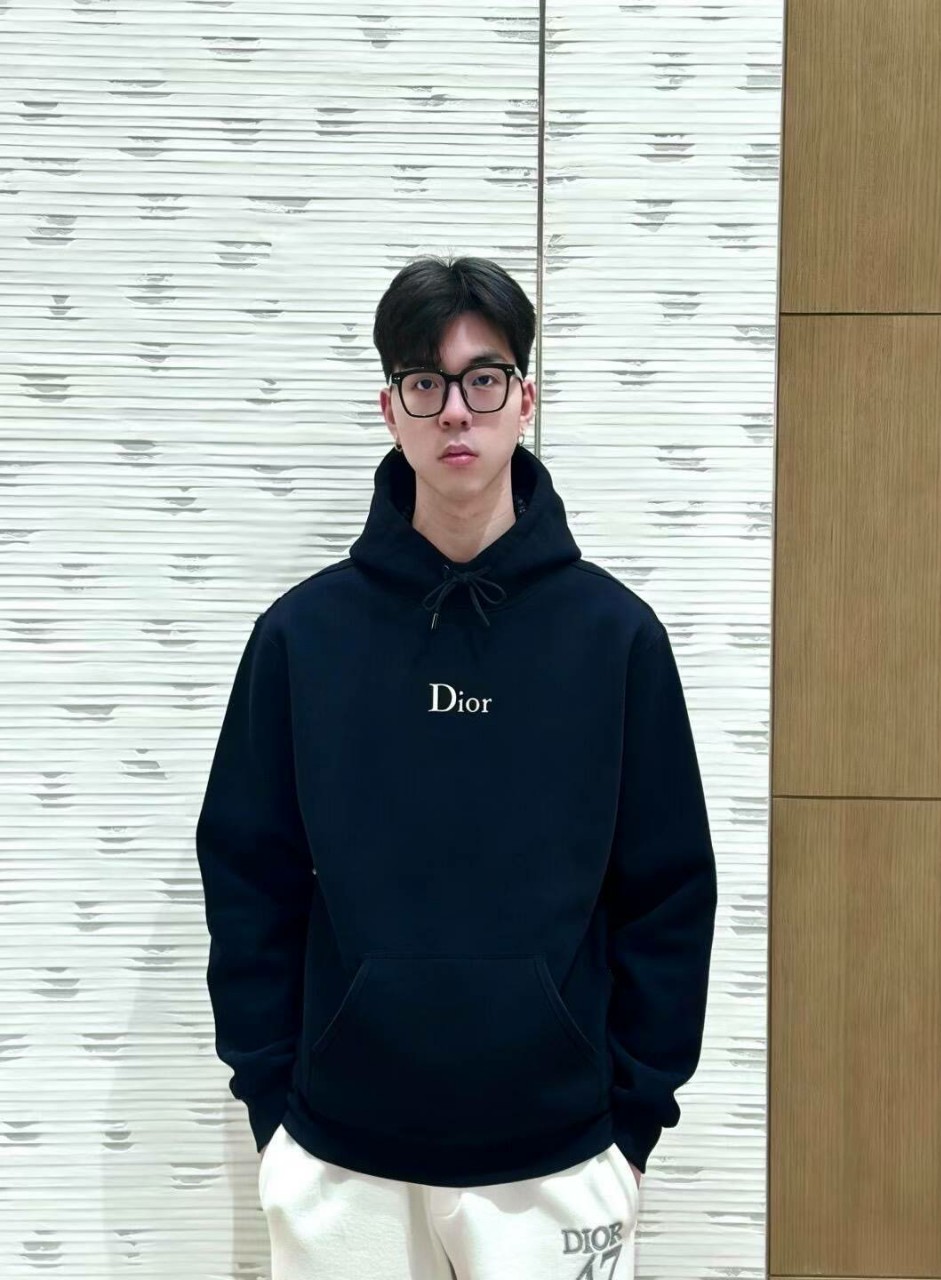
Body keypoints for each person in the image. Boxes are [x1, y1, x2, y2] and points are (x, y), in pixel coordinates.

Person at [195, 255, 718, 1279]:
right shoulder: (303, 636)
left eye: (483, 378)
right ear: (389, 408)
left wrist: (632, 1125)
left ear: (525, 397)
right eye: (425, 382)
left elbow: (668, 890)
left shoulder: (614, 637)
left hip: (561, 1158)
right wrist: (271, 1107)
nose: (455, 412)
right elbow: (248, 875)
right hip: (339, 1158)